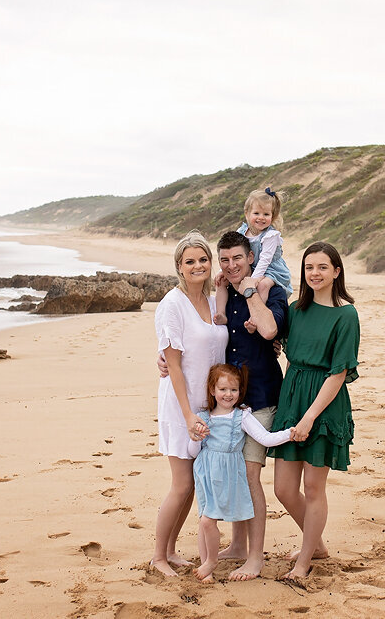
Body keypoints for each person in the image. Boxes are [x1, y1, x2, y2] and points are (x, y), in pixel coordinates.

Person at [158, 230, 288, 580]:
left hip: (255, 397)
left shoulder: (267, 290)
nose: (231, 266)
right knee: (209, 477)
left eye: (238, 259)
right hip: (214, 405)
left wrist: (250, 290)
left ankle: (253, 556)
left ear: (251, 258)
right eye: (225, 259)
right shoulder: (217, 295)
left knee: (246, 476)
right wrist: (165, 361)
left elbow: (270, 332)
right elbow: (187, 345)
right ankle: (225, 547)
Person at [268, 242, 360, 579]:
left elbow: (339, 374)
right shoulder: (296, 309)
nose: (315, 274)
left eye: (322, 267)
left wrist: (310, 417)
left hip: (324, 403)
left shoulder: (346, 315)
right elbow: (274, 338)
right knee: (283, 489)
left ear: (336, 271)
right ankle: (316, 543)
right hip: (292, 396)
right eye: (309, 267)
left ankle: (305, 562)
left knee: (313, 487)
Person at [151, 231, 228, 577]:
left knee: (193, 484)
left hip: (208, 406)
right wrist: (186, 415)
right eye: (190, 261)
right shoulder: (172, 304)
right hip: (181, 406)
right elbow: (175, 366)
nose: (197, 266)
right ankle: (158, 556)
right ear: (179, 268)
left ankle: (170, 549)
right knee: (182, 484)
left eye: (203, 259)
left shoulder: (214, 303)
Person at [187, 363, 293, 583]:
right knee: (204, 521)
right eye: (223, 389)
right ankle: (207, 563)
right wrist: (196, 437)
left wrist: (290, 433)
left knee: (209, 520)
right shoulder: (203, 417)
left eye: (233, 390)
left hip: (228, 477)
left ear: (240, 392)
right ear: (212, 390)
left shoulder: (241, 416)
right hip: (207, 474)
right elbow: (193, 451)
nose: (228, 394)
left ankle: (211, 561)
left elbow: (264, 438)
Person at [214, 187, 292, 325]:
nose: (261, 218)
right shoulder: (243, 230)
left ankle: (255, 318)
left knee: (262, 286)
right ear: (247, 213)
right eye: (256, 213)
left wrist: (253, 280)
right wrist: (222, 272)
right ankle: (221, 313)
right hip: (255, 266)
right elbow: (231, 249)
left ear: (272, 217)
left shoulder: (271, 235)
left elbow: (265, 260)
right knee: (221, 282)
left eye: (266, 214)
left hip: (272, 270)